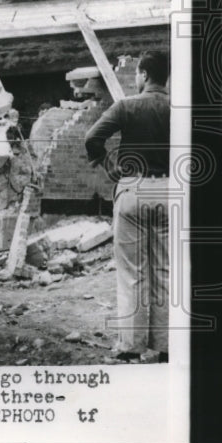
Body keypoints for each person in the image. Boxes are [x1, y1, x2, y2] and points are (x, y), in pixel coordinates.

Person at [84, 51, 170, 363]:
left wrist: (107, 162)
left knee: (132, 273)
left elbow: (92, 137)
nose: (135, 79)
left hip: (133, 189)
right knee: (164, 270)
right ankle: (165, 348)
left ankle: (131, 348)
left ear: (145, 75)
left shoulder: (126, 106)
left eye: (137, 74)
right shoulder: (181, 110)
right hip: (169, 192)